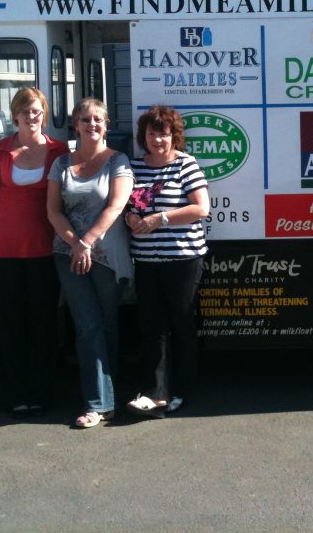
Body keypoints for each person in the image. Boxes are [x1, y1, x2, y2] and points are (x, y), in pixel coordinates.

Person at [0, 87, 67, 418]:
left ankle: (41, 394)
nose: (32, 117)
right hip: (4, 248)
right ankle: (14, 395)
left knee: (44, 325)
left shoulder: (59, 151)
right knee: (10, 325)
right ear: (15, 115)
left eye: (38, 111)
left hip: (45, 248)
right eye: (26, 111)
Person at [47, 98, 134, 428]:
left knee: (107, 324)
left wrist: (87, 242)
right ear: (75, 125)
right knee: (88, 325)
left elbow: (115, 207)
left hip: (108, 257)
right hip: (68, 255)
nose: (92, 124)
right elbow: (52, 210)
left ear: (107, 124)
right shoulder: (61, 165)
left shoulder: (119, 162)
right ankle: (97, 404)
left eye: (98, 119)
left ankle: (107, 393)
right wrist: (75, 244)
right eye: (85, 119)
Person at [123, 105, 209, 419]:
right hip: (146, 260)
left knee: (181, 325)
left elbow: (201, 209)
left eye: (163, 133)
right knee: (152, 328)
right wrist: (130, 216)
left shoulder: (186, 165)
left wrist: (159, 219)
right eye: (152, 133)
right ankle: (155, 392)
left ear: (173, 135)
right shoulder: (134, 167)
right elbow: (128, 205)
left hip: (183, 260)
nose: (158, 139)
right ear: (143, 136)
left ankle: (183, 390)